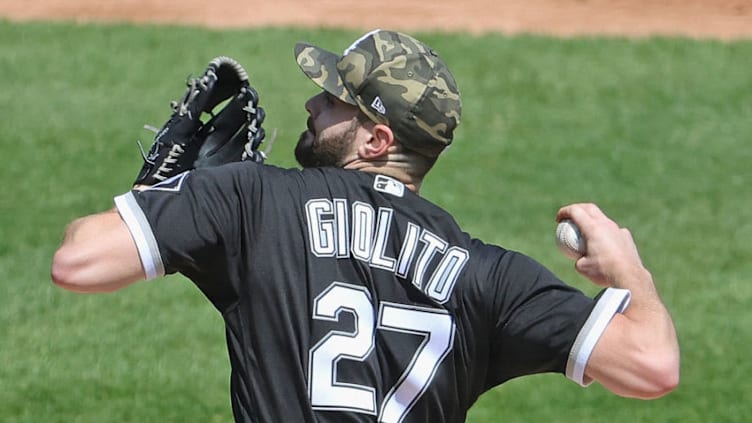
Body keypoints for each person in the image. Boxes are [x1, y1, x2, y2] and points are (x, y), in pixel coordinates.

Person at [51, 29, 679, 422]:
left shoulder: (252, 199)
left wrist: (165, 195)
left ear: (377, 139)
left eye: (331, 102)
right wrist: (630, 272)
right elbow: (653, 369)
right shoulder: (490, 276)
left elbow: (77, 265)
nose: (310, 104)